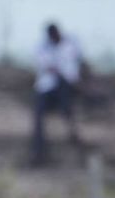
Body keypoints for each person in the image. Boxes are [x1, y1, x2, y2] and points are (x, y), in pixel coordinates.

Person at [30, 22, 85, 165]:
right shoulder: (42, 48)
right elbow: (48, 67)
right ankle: (38, 150)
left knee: (66, 102)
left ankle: (73, 133)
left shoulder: (71, 44)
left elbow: (79, 62)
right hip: (47, 88)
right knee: (38, 113)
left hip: (68, 86)